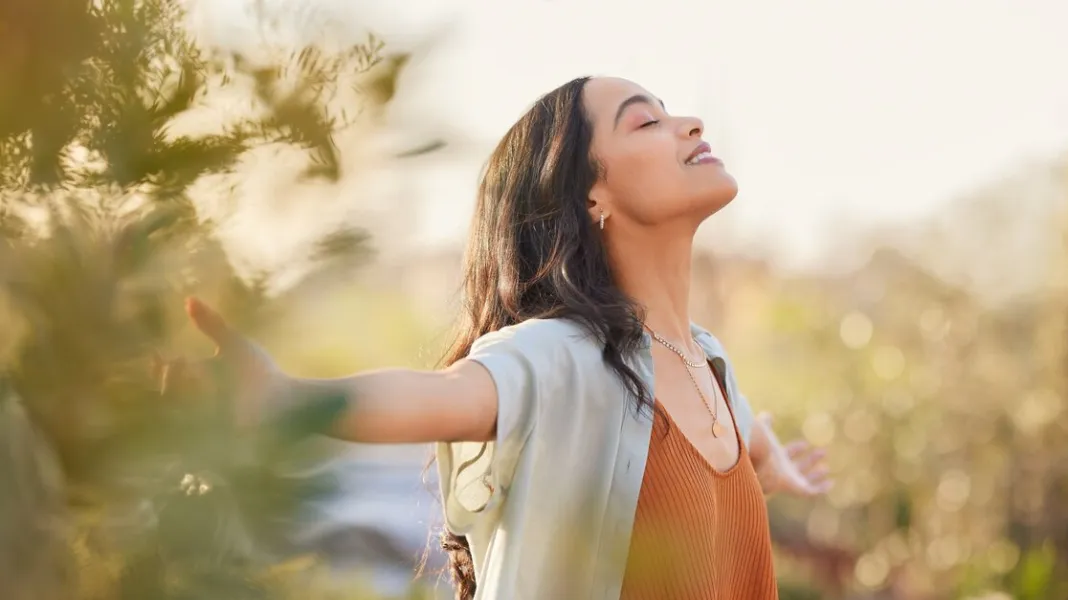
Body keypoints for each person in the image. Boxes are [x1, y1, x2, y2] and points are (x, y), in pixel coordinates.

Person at [183, 76, 832, 600]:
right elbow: (443, 396)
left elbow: (737, 435)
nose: (689, 124)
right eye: (645, 121)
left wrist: (766, 463)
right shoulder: (565, 356)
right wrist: (285, 400)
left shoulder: (707, 360)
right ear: (591, 195)